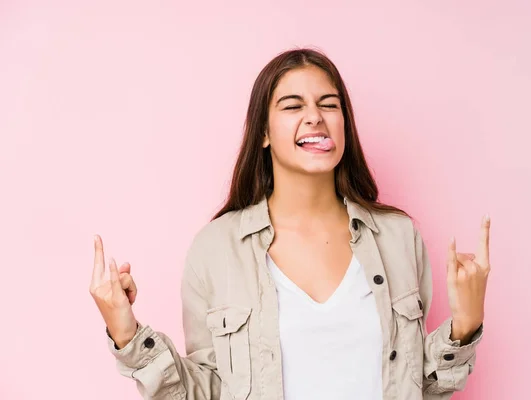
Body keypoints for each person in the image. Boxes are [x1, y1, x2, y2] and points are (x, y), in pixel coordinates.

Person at [90, 48, 490, 400]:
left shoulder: (399, 237)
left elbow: (417, 387)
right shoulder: (216, 249)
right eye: (293, 105)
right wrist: (129, 337)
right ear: (263, 132)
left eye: (329, 104)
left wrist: (465, 326)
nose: (315, 117)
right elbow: (209, 391)